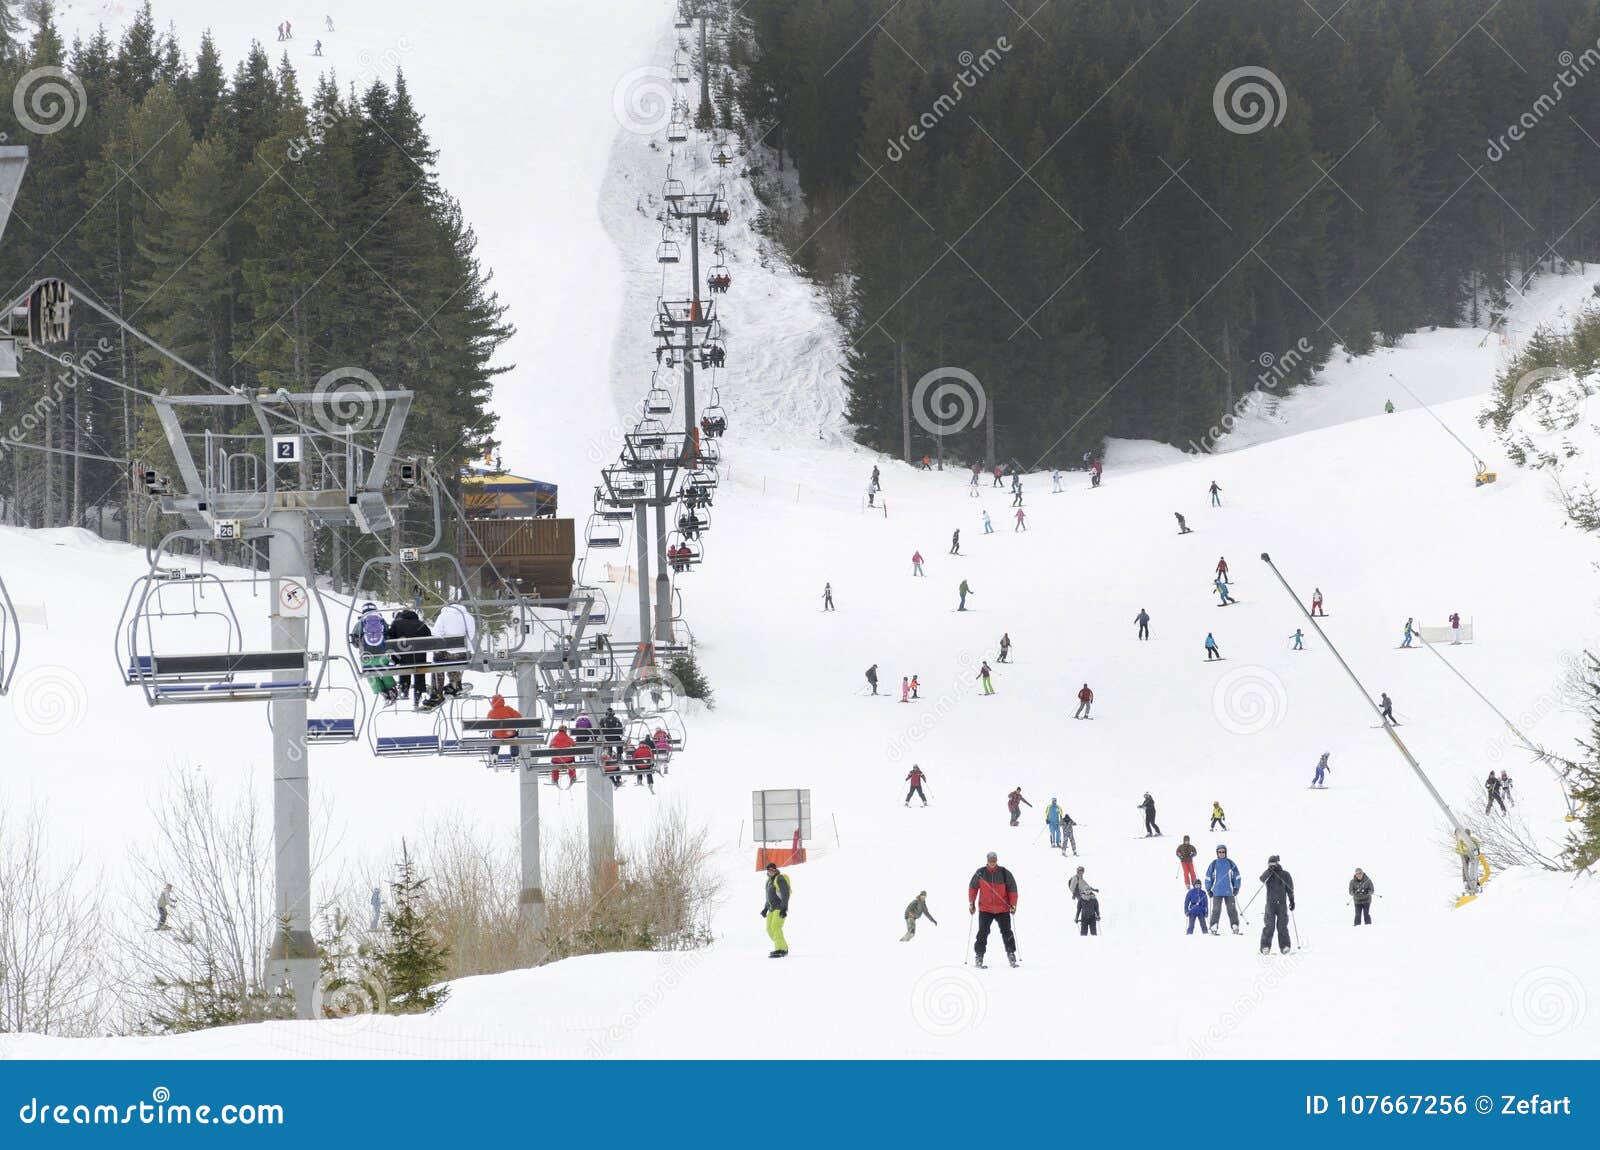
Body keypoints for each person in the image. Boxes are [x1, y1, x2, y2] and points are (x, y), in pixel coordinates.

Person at [968, 852, 1019, 968]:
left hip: (1003, 909)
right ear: (987, 860)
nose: (992, 861)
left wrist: (1013, 904)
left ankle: (1011, 954)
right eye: (991, 859)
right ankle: (979, 956)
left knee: (1007, 932)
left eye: (994, 859)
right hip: (985, 909)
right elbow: (973, 888)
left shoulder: (1004, 873)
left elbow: (1012, 889)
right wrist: (971, 903)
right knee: (983, 933)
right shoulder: (980, 872)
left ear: (997, 860)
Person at [351, 602, 400, 702]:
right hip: (382, 655)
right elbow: (388, 636)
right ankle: (391, 690)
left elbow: (354, 642)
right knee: (383, 670)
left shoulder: (359, 624)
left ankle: (382, 692)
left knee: (370, 673)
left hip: (366, 657)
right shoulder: (382, 621)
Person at [429, 600, 477, 701]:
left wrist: (446, 645)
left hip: (445, 654)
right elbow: (471, 635)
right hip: (463, 653)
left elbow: (436, 634)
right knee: (455, 658)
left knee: (439, 662)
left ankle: (436, 691)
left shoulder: (443, 616)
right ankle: (455, 684)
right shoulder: (468, 617)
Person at [388, 607, 432, 706]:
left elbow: (390, 640)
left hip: (403, 658)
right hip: (419, 658)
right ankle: (418, 692)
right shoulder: (421, 624)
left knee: (403, 661)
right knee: (420, 664)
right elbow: (429, 640)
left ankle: (404, 687)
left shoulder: (396, 624)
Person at [1259, 854, 1296, 955]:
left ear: (1277, 863)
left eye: (1273, 864)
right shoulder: (1268, 874)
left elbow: (1290, 888)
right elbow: (1262, 879)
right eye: (1269, 864)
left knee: (1282, 926)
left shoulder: (1285, 874)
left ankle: (1285, 946)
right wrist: (1269, 871)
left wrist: (1292, 900)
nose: (1271, 866)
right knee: (1269, 925)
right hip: (1270, 904)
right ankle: (1265, 947)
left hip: (1282, 904)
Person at [1206, 844, 1242, 934]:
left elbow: (1237, 876)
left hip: (1229, 891)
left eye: (1223, 852)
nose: (1221, 853)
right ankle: (1213, 926)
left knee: (1231, 909)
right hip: (1217, 891)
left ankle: (1235, 925)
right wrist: (1208, 889)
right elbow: (1208, 877)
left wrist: (1236, 887)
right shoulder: (1214, 864)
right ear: (1217, 853)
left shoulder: (1230, 863)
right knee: (1216, 910)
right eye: (1220, 852)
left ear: (1226, 852)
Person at [762, 861, 791, 958]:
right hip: (771, 909)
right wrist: (765, 909)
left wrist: (784, 908)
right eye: (769, 869)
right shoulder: (769, 881)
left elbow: (785, 893)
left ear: (775, 869)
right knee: (769, 929)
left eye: (772, 869)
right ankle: (783, 947)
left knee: (775, 927)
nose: (770, 871)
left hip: (779, 907)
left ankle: (781, 949)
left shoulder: (780, 879)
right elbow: (769, 897)